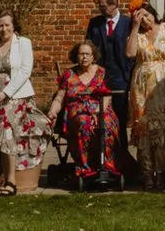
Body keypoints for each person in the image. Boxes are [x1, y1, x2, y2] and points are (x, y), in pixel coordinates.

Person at [0, 10, 53, 195]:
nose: (4, 29)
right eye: (0, 25)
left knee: (6, 129)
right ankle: (3, 179)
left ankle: (11, 181)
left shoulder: (23, 43)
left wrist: (5, 93)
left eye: (7, 25)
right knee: (0, 134)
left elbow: (25, 70)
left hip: (16, 98)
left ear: (14, 26)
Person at [44, 39, 120, 191]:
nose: (84, 57)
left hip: (100, 109)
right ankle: (85, 169)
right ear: (76, 56)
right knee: (83, 123)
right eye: (81, 54)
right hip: (77, 113)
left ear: (93, 56)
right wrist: (52, 111)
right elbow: (60, 97)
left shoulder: (102, 73)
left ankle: (107, 166)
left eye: (87, 54)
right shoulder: (68, 74)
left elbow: (107, 96)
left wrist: (98, 113)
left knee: (106, 123)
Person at [126, 3, 165, 191]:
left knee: (162, 129)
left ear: (154, 15)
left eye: (147, 15)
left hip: (162, 83)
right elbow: (130, 53)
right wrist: (134, 26)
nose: (145, 19)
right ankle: (147, 174)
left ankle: (162, 173)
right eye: (140, 17)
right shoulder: (137, 36)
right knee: (144, 130)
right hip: (140, 86)